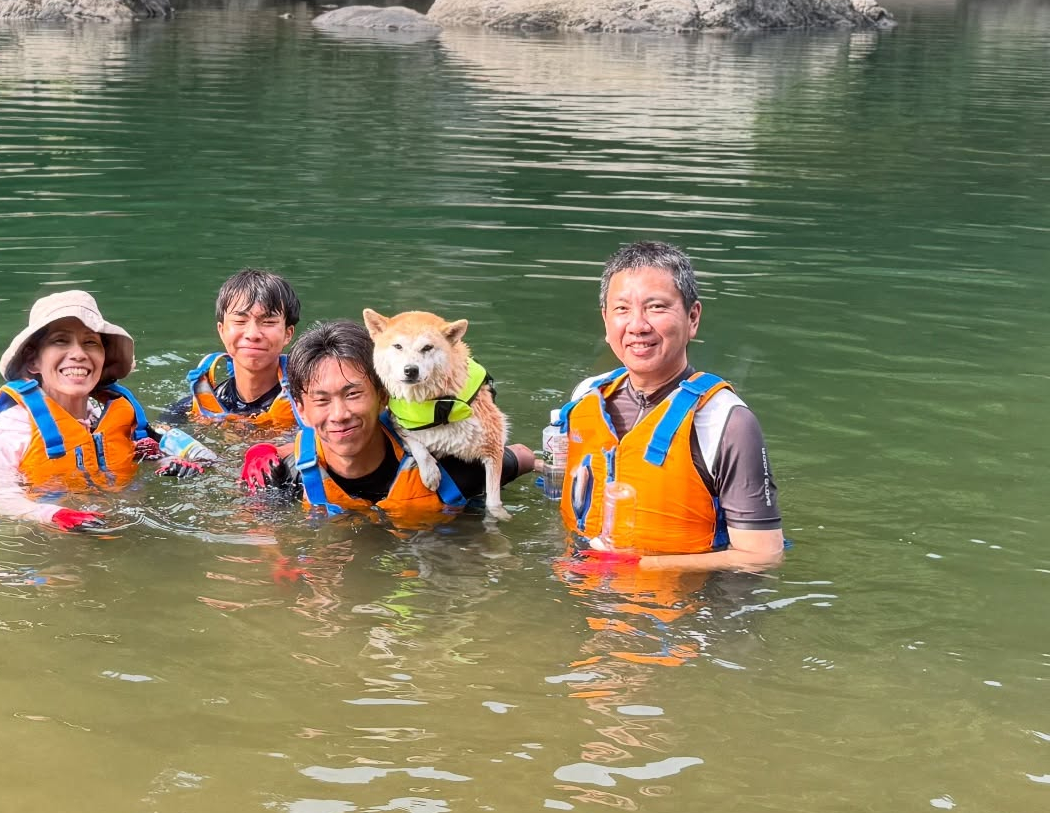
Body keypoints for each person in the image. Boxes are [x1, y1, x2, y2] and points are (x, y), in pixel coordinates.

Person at [557, 241, 783, 571]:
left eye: (656, 307)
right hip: (582, 594)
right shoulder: (585, 397)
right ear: (606, 321)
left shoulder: (725, 421)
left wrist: (640, 566)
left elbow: (762, 556)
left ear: (693, 317)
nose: (637, 325)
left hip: (683, 610)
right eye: (622, 309)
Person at [240, 319, 536, 521]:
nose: (339, 415)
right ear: (301, 410)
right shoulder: (287, 477)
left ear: (384, 395)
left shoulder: (451, 469)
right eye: (321, 400)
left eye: (353, 394)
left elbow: (523, 458)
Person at [0, 290, 217, 530]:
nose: (79, 354)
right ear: (33, 361)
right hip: (48, 551)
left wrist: (170, 462)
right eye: (60, 340)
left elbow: (128, 461)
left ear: (103, 359)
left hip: (129, 533)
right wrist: (54, 515)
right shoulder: (12, 430)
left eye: (90, 342)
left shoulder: (111, 420)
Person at [168, 269, 301, 428]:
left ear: (288, 333)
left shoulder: (310, 402)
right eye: (240, 321)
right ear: (221, 331)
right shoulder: (197, 405)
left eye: (268, 322)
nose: (253, 334)